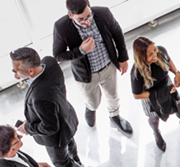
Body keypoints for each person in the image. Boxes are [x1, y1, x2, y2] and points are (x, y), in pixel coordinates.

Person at [10, 47, 114, 167]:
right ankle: (77, 162)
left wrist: (28, 127)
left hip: (56, 136)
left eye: (16, 70)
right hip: (66, 117)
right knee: (70, 144)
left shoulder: (39, 96)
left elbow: (50, 127)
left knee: (62, 162)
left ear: (31, 71)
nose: (14, 73)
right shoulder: (49, 62)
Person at [53, 0, 132, 135]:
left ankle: (114, 116)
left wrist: (123, 58)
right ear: (70, 16)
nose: (87, 22)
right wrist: (81, 50)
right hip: (85, 75)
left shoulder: (103, 13)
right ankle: (90, 108)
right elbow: (58, 55)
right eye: (81, 19)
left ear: (89, 7)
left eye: (89, 16)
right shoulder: (61, 27)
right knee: (93, 101)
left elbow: (117, 32)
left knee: (113, 96)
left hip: (108, 66)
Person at [131, 37, 180, 152]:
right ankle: (156, 133)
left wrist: (177, 73)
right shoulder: (136, 72)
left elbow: (169, 61)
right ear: (142, 57)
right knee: (154, 118)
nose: (154, 54)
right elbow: (137, 95)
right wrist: (159, 94)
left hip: (167, 86)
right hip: (150, 96)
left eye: (154, 50)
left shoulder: (161, 51)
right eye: (150, 54)